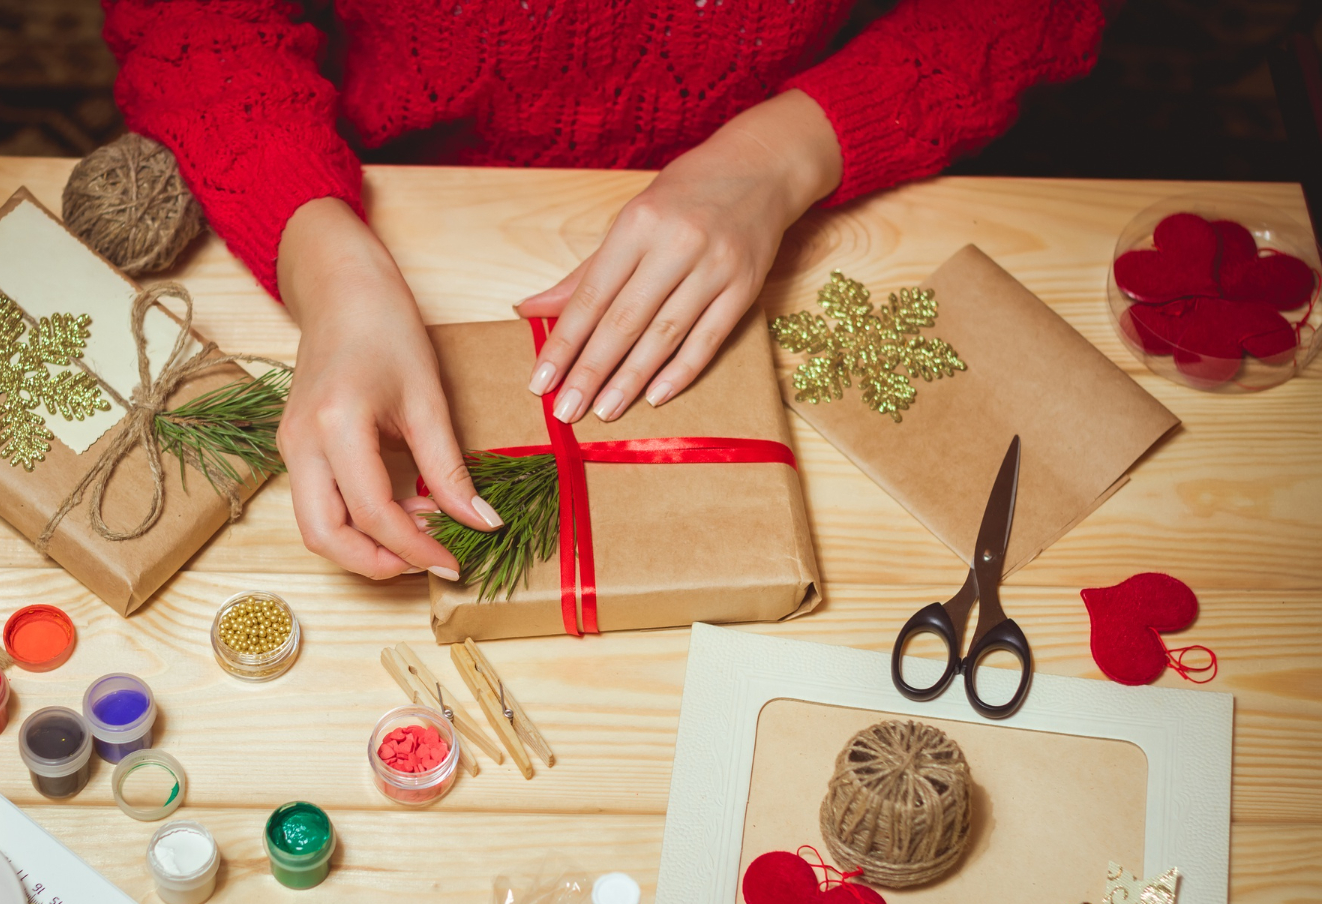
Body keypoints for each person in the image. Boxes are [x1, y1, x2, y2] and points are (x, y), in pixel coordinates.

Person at [103, 0, 1109, 581]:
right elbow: (192, 20)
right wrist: (327, 267)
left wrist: (785, 154)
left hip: (798, 190)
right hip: (404, 191)